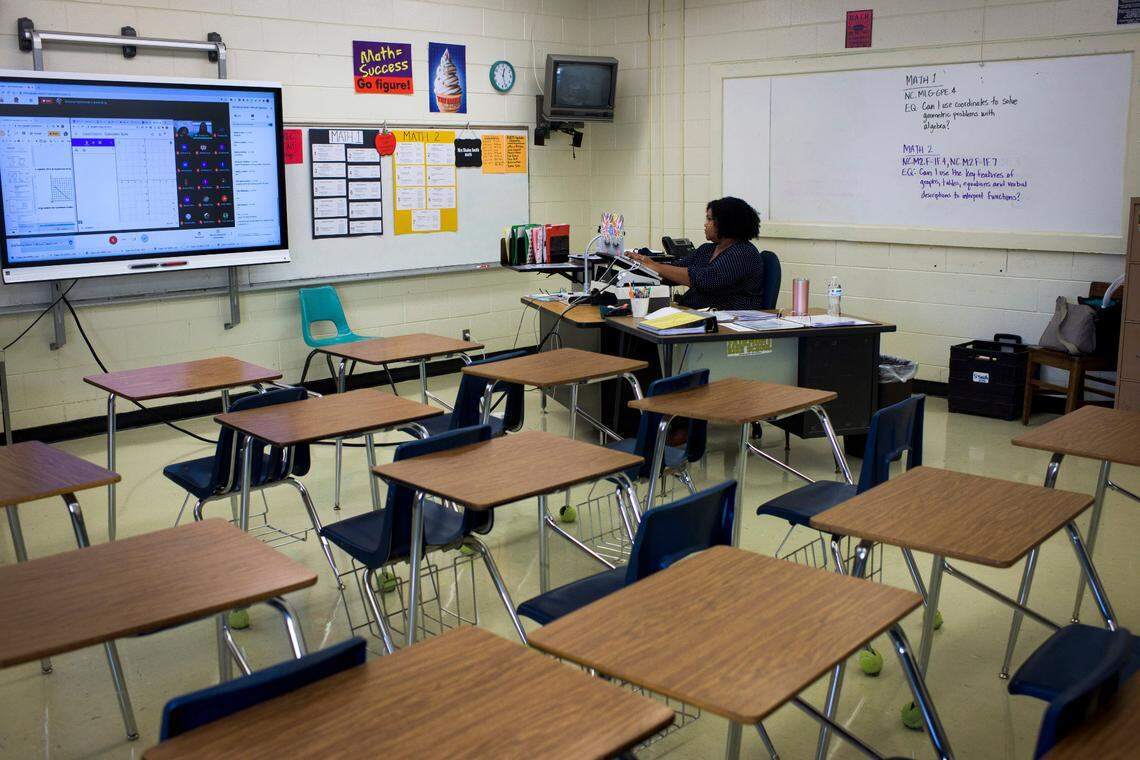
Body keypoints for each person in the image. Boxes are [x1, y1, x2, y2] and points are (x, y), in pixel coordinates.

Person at [627, 196, 765, 311]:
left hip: (725, 321)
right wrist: (638, 267)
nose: (705, 224)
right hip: (695, 313)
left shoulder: (743, 253)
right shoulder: (707, 249)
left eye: (710, 219)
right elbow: (676, 271)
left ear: (726, 223)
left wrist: (654, 266)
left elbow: (706, 280)